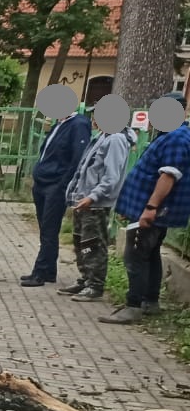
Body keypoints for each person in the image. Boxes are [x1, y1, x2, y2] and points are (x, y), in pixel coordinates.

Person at [100, 110, 190, 324]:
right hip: (148, 207)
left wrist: (151, 207)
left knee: (136, 254)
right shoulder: (169, 135)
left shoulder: (176, 138)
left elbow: (169, 175)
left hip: (154, 209)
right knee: (150, 253)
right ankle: (150, 301)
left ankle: (134, 306)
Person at [59, 98, 133, 302]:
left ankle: (95, 285)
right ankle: (85, 279)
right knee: (81, 242)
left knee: (93, 244)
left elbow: (111, 177)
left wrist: (92, 197)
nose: (94, 118)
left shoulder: (116, 139)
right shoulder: (102, 136)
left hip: (96, 204)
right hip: (83, 200)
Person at [23, 104, 92, 287]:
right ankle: (49, 271)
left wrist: (64, 183)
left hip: (55, 185)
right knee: (46, 229)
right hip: (42, 182)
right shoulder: (59, 124)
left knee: (49, 229)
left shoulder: (78, 124)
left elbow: (78, 157)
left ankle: (39, 272)